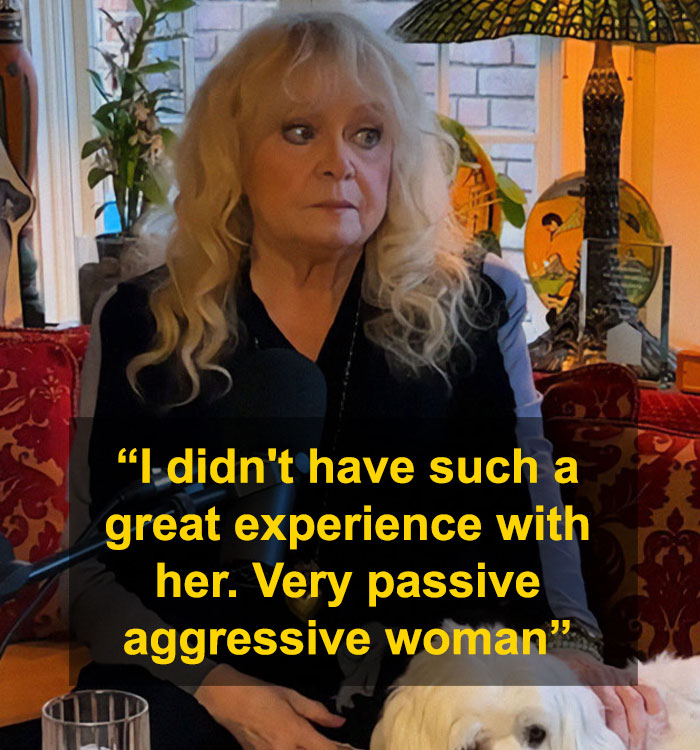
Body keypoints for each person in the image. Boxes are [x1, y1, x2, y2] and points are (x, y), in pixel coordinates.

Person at [41, 10, 664, 750]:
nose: (341, 163)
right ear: (233, 155)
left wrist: (574, 649)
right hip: (196, 690)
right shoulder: (141, 321)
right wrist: (225, 691)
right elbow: (94, 577)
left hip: (424, 702)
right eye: (299, 131)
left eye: (368, 135)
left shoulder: (474, 308)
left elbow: (534, 509)